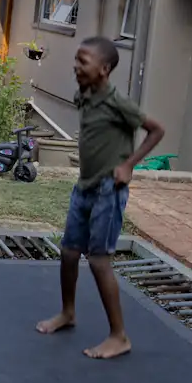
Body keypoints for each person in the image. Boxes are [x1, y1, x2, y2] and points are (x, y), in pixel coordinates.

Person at [36, 36, 165, 359]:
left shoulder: (118, 102)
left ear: (104, 69)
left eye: (83, 61)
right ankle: (68, 313)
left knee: (98, 260)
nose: (75, 66)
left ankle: (119, 336)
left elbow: (157, 130)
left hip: (109, 189)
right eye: (76, 60)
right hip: (84, 187)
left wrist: (128, 165)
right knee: (68, 252)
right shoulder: (85, 95)